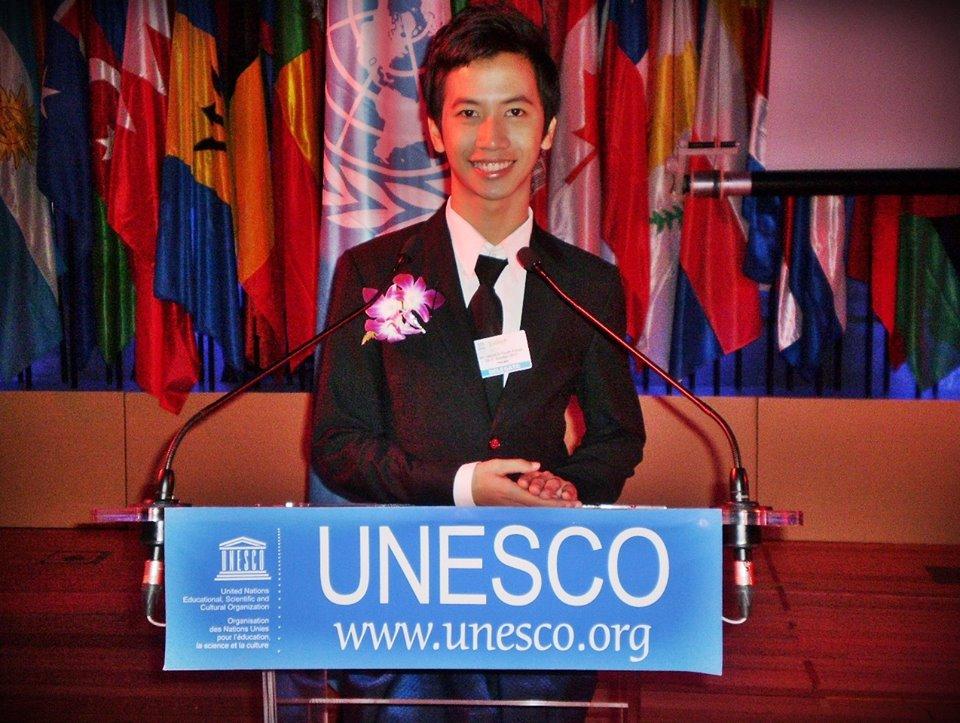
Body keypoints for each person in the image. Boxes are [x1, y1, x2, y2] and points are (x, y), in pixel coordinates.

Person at [307, 4, 645, 719]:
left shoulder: (588, 285)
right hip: (405, 612)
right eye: (468, 113)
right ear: (435, 129)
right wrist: (463, 487)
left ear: (548, 128)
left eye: (515, 111)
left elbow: (619, 436)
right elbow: (337, 445)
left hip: (543, 610)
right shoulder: (372, 273)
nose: (492, 139)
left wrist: (566, 484)